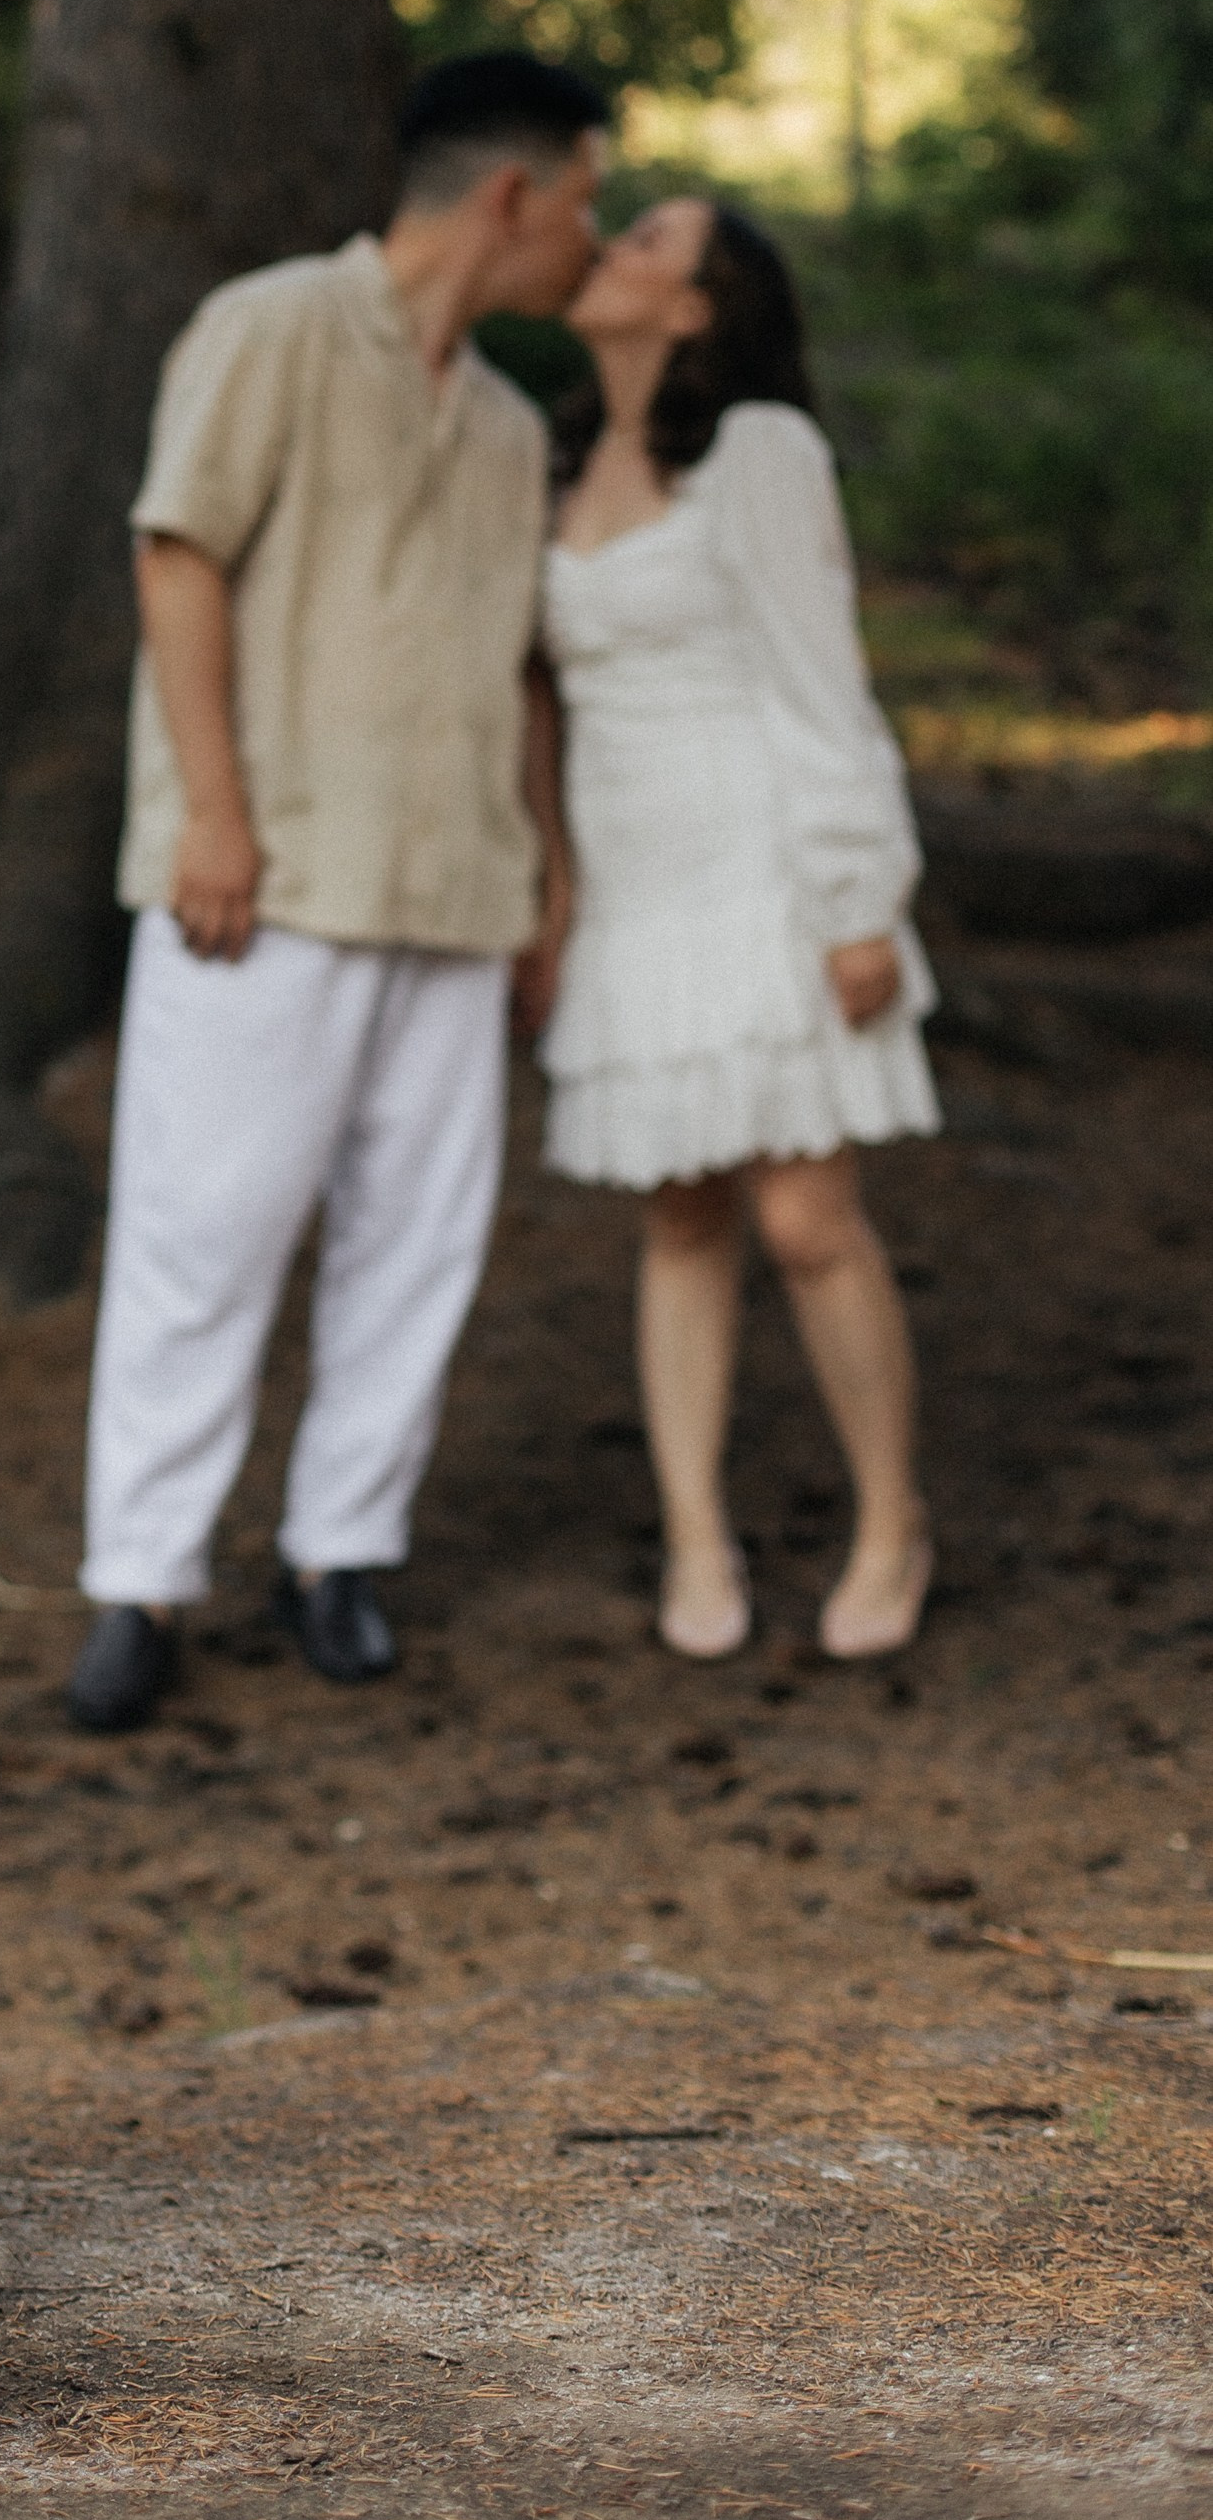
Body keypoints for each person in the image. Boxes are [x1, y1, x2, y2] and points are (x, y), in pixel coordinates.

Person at [66, 52, 610, 1736]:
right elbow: (179, 556)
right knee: (199, 1234)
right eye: (587, 207)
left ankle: (340, 1556)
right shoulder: (275, 327)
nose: (591, 248)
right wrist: (213, 814)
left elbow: (526, 672)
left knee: (418, 1244)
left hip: (453, 888)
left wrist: (550, 873)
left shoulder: (514, 427)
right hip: (269, 881)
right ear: (508, 198)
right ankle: (141, 1585)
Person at [537, 194, 938, 1662]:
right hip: (637, 886)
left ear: (698, 308)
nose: (615, 244)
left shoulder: (763, 454)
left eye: (650, 239)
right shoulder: (558, 454)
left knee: (806, 1218)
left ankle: (892, 1520)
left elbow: (822, 678)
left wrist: (855, 896)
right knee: (683, 1214)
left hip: (768, 866)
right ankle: (698, 1535)